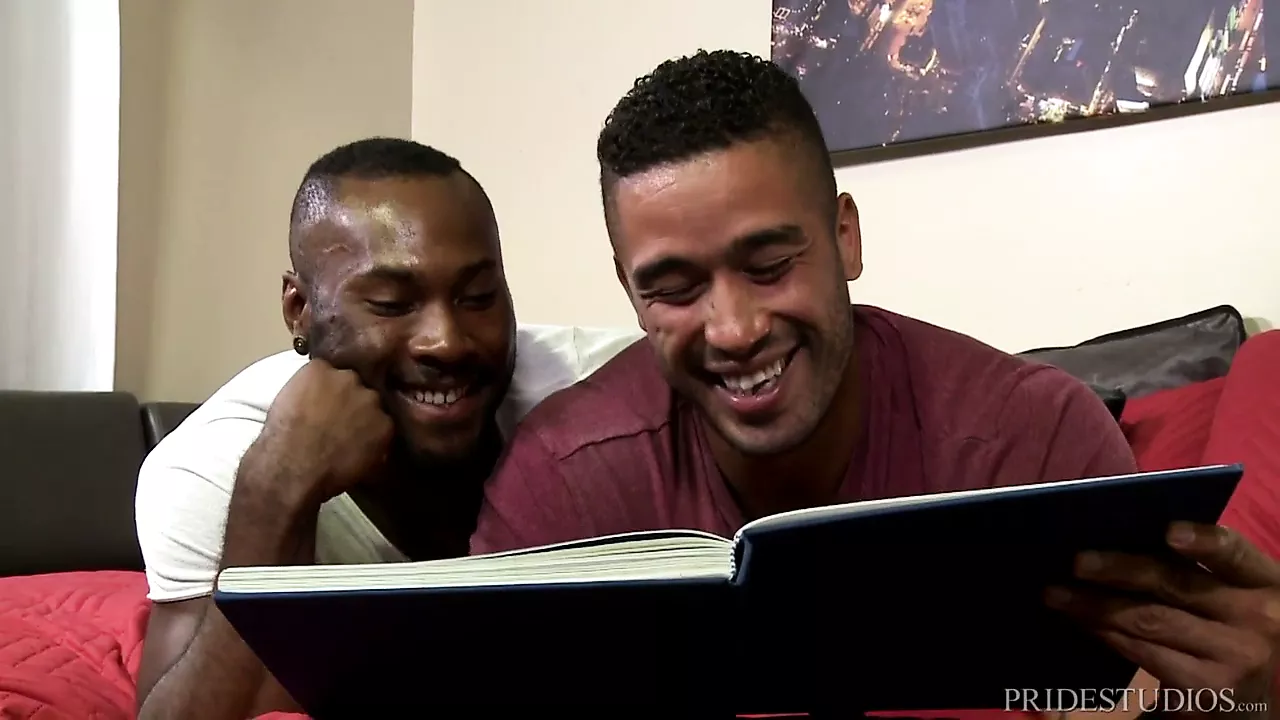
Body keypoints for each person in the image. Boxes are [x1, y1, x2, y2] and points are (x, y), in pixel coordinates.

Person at [469, 51, 1280, 716]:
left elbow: (1141, 699)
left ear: (845, 237)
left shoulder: (1036, 442)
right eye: (674, 289)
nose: (734, 329)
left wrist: (1250, 700)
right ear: (629, 289)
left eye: (770, 265)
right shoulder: (558, 485)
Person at [132, 138, 639, 719]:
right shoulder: (211, 463)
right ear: (299, 309)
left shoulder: (589, 395)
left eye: (477, 297)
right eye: (392, 304)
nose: (446, 341)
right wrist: (273, 492)